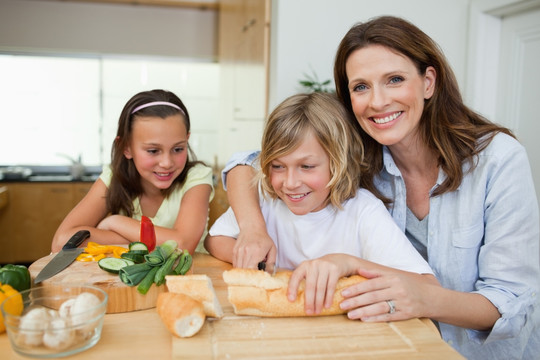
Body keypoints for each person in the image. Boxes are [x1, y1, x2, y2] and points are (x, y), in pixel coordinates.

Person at [220, 16, 540, 359]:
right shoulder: (357, 151)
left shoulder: (497, 159)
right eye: (361, 87)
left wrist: (414, 293)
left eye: (395, 80)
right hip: (397, 347)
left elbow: (511, 303)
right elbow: (249, 162)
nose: (377, 101)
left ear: (428, 82)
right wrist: (253, 229)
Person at [205, 92, 437, 315]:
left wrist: (352, 265)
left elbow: (427, 286)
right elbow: (213, 240)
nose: (290, 183)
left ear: (338, 162)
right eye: (278, 166)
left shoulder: (363, 211)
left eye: (307, 167)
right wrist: (262, 259)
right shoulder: (264, 200)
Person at [52, 89, 214, 254]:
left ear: (187, 139)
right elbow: (62, 241)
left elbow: (182, 244)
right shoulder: (113, 177)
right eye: (153, 151)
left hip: (189, 278)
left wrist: (116, 223)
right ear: (127, 147)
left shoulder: (197, 177)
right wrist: (153, 241)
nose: (166, 163)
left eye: (178, 149)